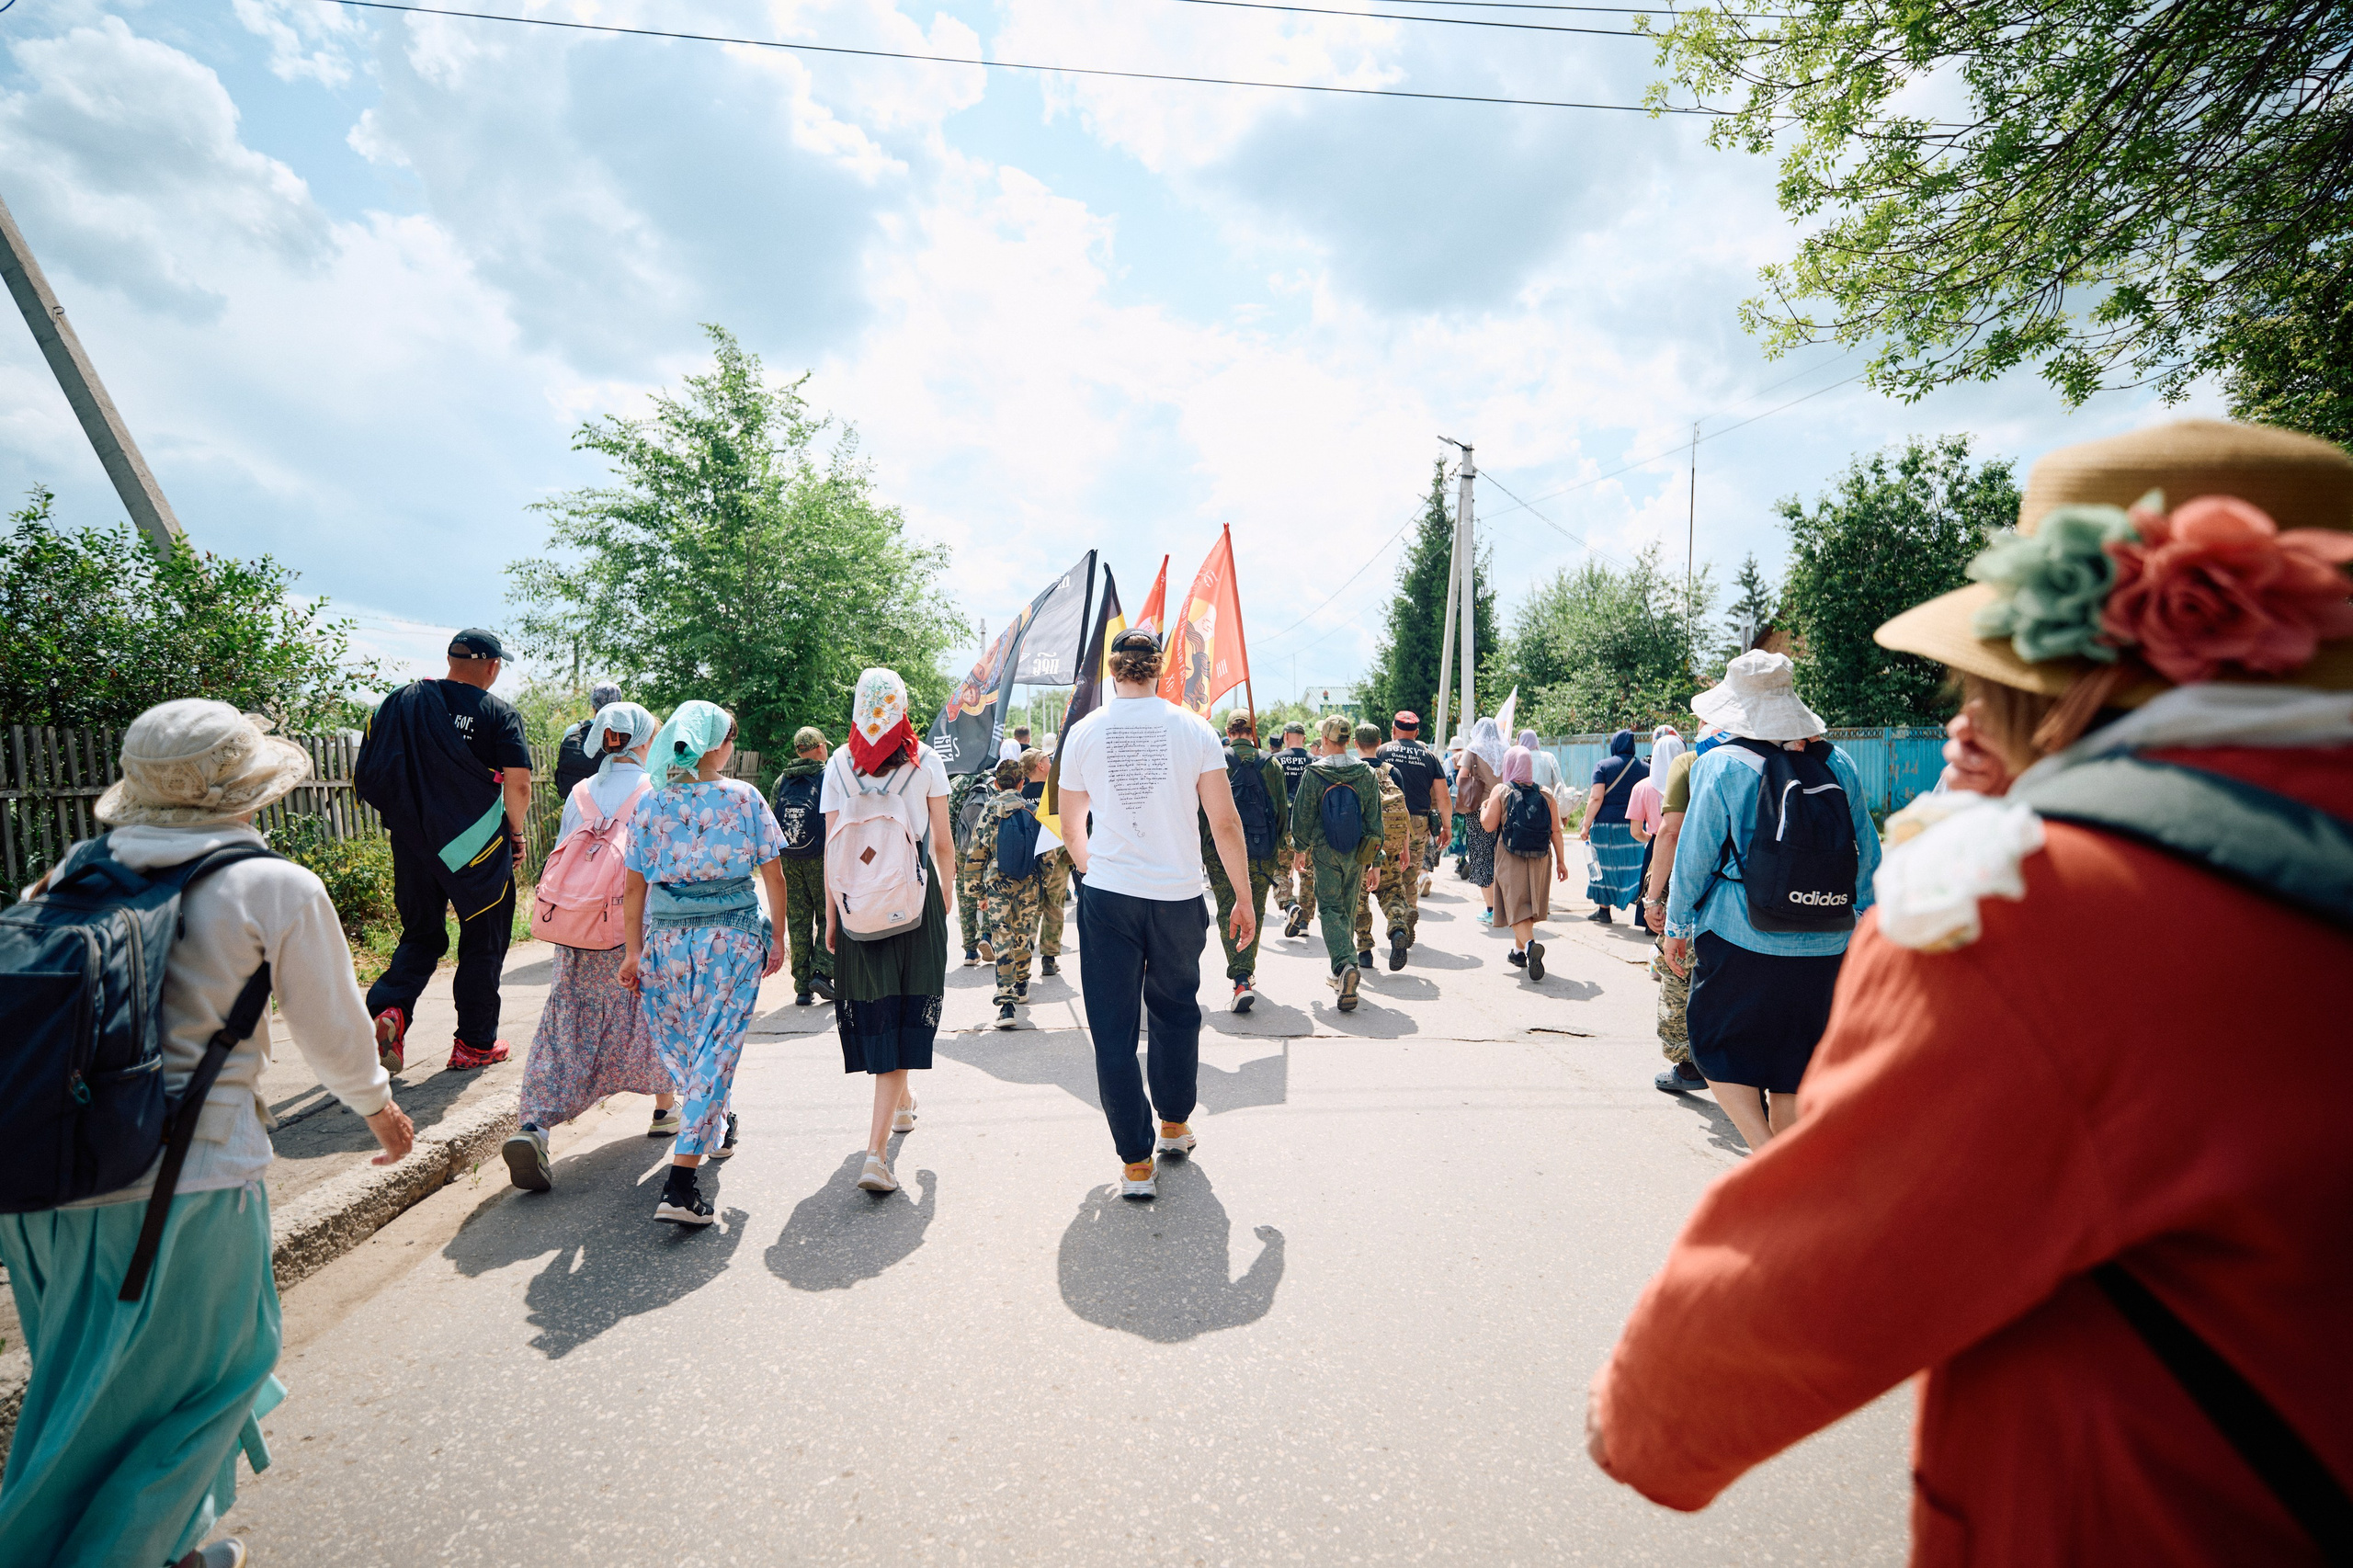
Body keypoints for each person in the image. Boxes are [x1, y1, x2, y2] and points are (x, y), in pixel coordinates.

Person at [1590, 418, 2353, 1565]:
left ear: (2048, 670)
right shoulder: (1842, 765)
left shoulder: (2037, 908)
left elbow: (1794, 1298)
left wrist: (1639, 1423)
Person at [1, 700, 415, 1568]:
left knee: (92, 1393)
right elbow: (335, 1031)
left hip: (36, 1186)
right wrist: (380, 1112)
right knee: (219, 1375)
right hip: (184, 1183)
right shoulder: (271, 886)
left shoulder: (63, 876)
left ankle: (171, 1547)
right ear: (243, 789)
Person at [1056, 629, 1256, 1199]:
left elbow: (1071, 823)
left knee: (1113, 1028)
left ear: (1113, 671)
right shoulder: (1194, 729)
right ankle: (1173, 1123)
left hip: (1111, 895)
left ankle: (1136, 1163)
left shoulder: (1085, 732)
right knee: (1174, 1011)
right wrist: (1241, 898)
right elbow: (1224, 823)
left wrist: (1093, 872)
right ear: (1160, 669)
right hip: (1177, 896)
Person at [1657, 653, 1881, 1151]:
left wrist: (1675, 926)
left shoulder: (1718, 765)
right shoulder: (1838, 763)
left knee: (1713, 1046)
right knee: (1793, 1064)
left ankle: (1763, 1155)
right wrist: (1862, 919)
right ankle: (1785, 1166)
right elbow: (1867, 850)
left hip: (1741, 934)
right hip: (1827, 938)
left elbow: (1694, 857)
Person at [620, 701, 789, 1225]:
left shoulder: (650, 804)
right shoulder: (744, 797)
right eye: (731, 738)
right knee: (717, 1049)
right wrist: (777, 937)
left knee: (690, 1048)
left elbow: (633, 889)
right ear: (716, 745)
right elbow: (775, 878)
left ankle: (715, 1126)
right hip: (732, 940)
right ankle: (680, 1181)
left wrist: (632, 950)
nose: (733, 748)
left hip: (666, 943)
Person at [503, 701, 676, 1190]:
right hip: (631, 930)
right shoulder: (654, 791)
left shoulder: (580, 792)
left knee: (567, 1022)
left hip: (576, 928)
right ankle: (666, 1107)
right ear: (643, 740)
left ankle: (535, 1126)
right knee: (648, 1013)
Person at [356, 628, 534, 1074]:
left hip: (413, 844)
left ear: (450, 658)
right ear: (493, 666)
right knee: (483, 940)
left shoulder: (401, 702)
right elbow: (520, 783)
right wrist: (514, 833)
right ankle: (475, 1045)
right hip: (477, 850)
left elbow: (371, 769)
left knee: (421, 934)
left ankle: (390, 1010)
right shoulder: (499, 713)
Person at [822, 668, 955, 1195]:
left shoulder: (837, 764)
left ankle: (901, 1102)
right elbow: (942, 843)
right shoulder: (926, 762)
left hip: (857, 910)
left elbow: (835, 850)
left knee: (881, 1010)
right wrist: (947, 901)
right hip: (914, 907)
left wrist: (832, 920)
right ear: (901, 706)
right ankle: (875, 1155)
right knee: (903, 1019)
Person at [1282, 714, 1386, 1010]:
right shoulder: (1365, 773)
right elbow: (1373, 820)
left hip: (1325, 851)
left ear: (1326, 740)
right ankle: (1343, 971)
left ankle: (1344, 965)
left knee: (1329, 909)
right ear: (1346, 740)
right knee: (1349, 909)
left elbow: (1302, 816)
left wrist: (1299, 849)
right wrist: (1375, 860)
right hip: (1357, 852)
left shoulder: (1315, 774)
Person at [1636, 725, 1708, 1096]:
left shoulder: (1691, 764)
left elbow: (1669, 832)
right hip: (1761, 896)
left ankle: (1688, 1064)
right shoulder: (1780, 760)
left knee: (1679, 973)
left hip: (1694, 889)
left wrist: (1652, 898)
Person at [1204, 712, 1289, 1012]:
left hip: (1220, 852)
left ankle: (1241, 977)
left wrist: (1205, 850)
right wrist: (1277, 850)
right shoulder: (1271, 763)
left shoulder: (1216, 760)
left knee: (1229, 908)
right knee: (1256, 910)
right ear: (1254, 731)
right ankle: (1245, 973)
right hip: (1261, 850)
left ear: (1228, 731)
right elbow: (1281, 812)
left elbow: (1203, 811)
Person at [1479, 742, 1571, 979]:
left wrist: (1483, 808)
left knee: (1514, 906)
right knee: (1527, 905)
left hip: (1511, 856)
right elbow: (1556, 832)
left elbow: (1488, 826)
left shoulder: (1501, 791)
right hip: (1541, 856)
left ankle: (1530, 947)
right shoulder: (1545, 794)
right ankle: (1518, 952)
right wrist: (1561, 862)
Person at [972, 753, 1045, 1028]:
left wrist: (975, 890)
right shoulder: (1031, 810)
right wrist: (1044, 881)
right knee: (1022, 933)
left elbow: (975, 853)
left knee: (1001, 937)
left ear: (997, 783)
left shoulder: (988, 811)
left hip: (997, 885)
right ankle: (1023, 982)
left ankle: (1006, 1002)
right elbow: (1046, 852)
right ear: (1022, 782)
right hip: (1028, 883)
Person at [771, 726, 836, 1006]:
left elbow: (773, 820)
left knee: (797, 919)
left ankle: (801, 987)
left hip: (789, 856)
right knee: (828, 915)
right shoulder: (828, 777)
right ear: (820, 748)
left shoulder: (781, 781)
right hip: (821, 856)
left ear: (798, 751)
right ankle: (821, 971)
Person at [1376, 710, 1449, 942]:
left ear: (1393, 730)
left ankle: (1396, 921)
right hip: (1418, 821)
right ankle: (1408, 912)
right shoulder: (1429, 756)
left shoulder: (1382, 750)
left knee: (1386, 873)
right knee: (1410, 873)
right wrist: (1446, 827)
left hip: (1386, 818)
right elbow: (1443, 796)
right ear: (1416, 732)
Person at [1351, 722, 1415, 971]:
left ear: (1355, 744)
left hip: (1360, 848)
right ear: (1379, 744)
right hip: (1389, 847)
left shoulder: (1354, 771)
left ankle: (1364, 949)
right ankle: (1398, 929)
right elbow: (1404, 812)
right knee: (1391, 893)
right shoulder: (1392, 772)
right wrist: (1404, 848)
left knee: (1359, 899)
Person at [1575, 729, 1650, 926]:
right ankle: (1642, 910)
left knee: (1604, 868)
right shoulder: (1645, 768)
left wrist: (1586, 825)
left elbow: (1596, 797)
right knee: (1633, 868)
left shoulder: (1603, 766)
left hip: (1606, 827)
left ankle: (1604, 910)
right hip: (1635, 827)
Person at [1019, 747, 1071, 977]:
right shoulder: (1056, 791)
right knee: (1054, 907)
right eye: (1047, 759)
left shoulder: (1020, 794)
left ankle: (1026, 955)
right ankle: (1049, 958)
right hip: (1057, 860)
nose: (1051, 762)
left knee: (1031, 909)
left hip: (1029, 861)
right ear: (1040, 766)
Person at [1455, 718, 1504, 924]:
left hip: (1479, 809)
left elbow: (1460, 779)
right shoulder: (1505, 748)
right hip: (1503, 806)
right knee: (1501, 856)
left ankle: (1491, 910)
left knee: (1482, 855)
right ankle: (1504, 907)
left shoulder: (1474, 748)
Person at [551, 679, 625, 799]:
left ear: (593, 706)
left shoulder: (574, 730)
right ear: (619, 705)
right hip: (612, 802)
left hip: (578, 802)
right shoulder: (625, 734)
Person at [948, 765, 991, 965]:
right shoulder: (991, 780)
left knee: (965, 897)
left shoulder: (955, 785)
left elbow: (949, 822)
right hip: (988, 846)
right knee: (990, 888)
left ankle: (971, 952)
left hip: (962, 847)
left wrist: (952, 859)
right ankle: (988, 935)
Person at [1270, 721, 1313, 910]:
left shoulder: (1275, 760)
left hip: (1283, 825)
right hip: (1309, 827)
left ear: (1285, 736)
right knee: (1308, 873)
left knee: (1280, 869)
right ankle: (1304, 919)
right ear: (1304, 739)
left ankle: (1288, 904)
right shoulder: (1315, 761)